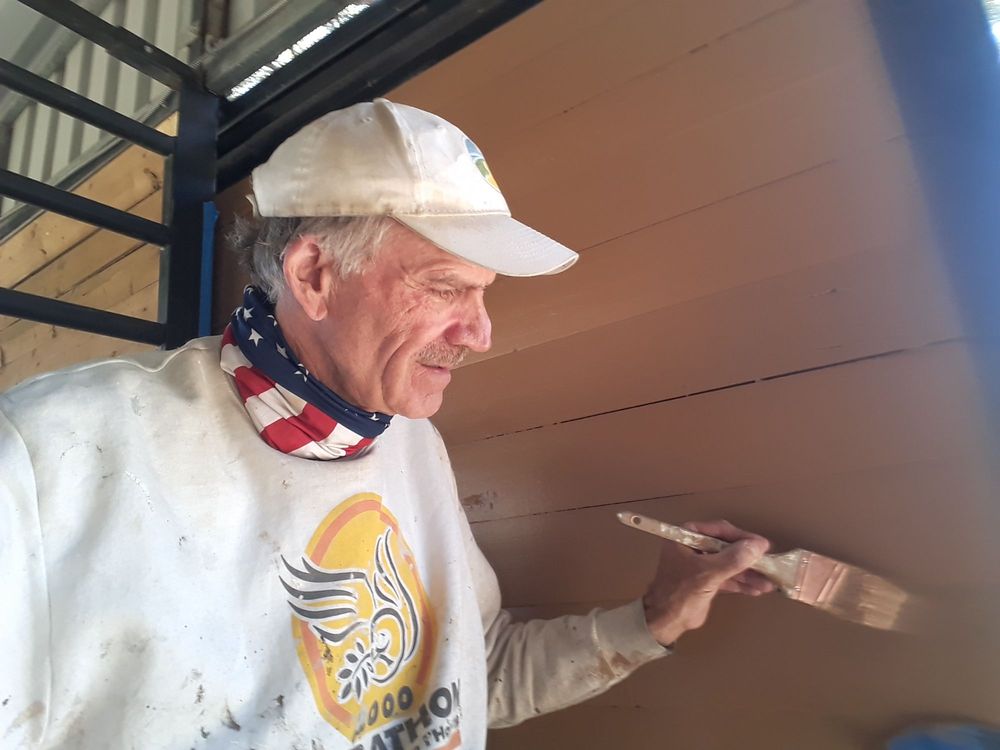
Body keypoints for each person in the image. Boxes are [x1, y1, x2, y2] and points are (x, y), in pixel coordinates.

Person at [0, 99, 773, 749]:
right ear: (313, 275)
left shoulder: (408, 439)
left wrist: (656, 618)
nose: (480, 333)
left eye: (483, 294)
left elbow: (467, 677)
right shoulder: (43, 460)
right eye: (444, 288)